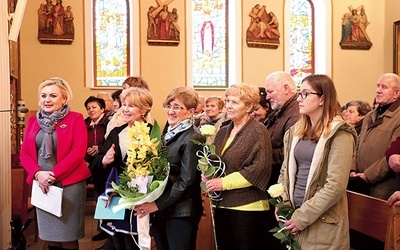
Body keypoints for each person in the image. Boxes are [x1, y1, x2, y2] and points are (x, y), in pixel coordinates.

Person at [278, 74, 357, 249]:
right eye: (299, 93)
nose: (299, 99)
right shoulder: (295, 132)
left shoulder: (340, 134)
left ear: (322, 99)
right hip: (294, 214)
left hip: (322, 219)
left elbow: (335, 185)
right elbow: (285, 172)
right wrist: (282, 204)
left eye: (305, 94)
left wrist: (302, 217)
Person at [19, 77, 90, 250]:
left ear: (64, 98)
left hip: (69, 186)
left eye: (53, 95)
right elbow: (25, 153)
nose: (47, 100)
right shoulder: (32, 121)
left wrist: (52, 176)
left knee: (68, 238)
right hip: (42, 185)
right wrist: (38, 174)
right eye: (43, 95)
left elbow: (77, 153)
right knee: (49, 237)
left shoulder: (76, 118)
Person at [201, 83, 274, 250]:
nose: (228, 106)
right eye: (227, 101)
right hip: (222, 204)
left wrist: (223, 183)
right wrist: (209, 174)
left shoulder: (258, 131)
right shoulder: (223, 131)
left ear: (248, 106)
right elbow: (216, 161)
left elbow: (259, 168)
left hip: (247, 207)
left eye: (234, 102)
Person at [134, 86, 204, 250]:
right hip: (163, 209)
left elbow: (187, 181)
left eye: (178, 107)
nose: (171, 111)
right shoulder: (169, 132)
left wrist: (157, 205)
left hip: (181, 212)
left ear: (191, 111)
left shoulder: (193, 137)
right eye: (169, 106)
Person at [92, 87, 153, 250]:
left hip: (142, 199)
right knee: (119, 240)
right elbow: (96, 164)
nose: (125, 109)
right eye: (124, 104)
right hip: (118, 197)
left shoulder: (153, 133)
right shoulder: (116, 133)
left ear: (144, 109)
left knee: (136, 242)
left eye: (131, 105)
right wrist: (104, 160)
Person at [352, 73, 400, 199]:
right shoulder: (369, 116)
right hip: (358, 182)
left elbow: (392, 154)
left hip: (383, 187)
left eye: (384, 87)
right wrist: (352, 169)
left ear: (396, 93)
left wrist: (367, 176)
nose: (378, 90)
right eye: (378, 86)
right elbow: (357, 144)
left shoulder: (398, 117)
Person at [264, 71, 301, 188]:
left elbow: (290, 151)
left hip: (282, 179)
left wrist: (259, 155)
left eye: (270, 92)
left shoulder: (296, 114)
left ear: (286, 89)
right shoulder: (281, 110)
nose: (267, 97)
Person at [83, 96, 109, 242]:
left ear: (102, 109)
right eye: (88, 108)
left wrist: (98, 149)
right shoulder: (83, 124)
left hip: (103, 163)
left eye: (94, 107)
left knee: (104, 195)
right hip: (88, 163)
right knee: (97, 196)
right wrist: (85, 151)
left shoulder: (107, 123)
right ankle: (102, 227)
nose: (91, 110)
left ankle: (105, 229)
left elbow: (109, 141)